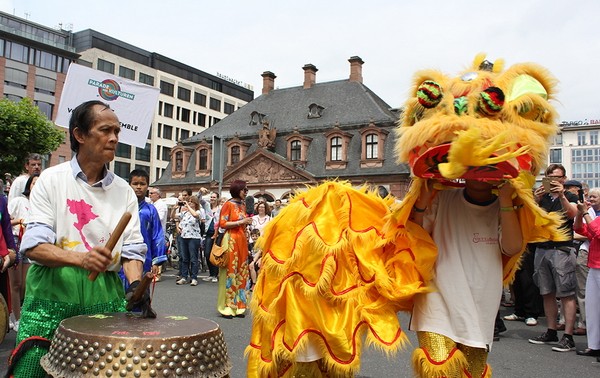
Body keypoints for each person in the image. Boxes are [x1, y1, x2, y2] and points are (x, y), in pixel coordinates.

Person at [11, 100, 147, 377]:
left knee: (100, 370)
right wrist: (81, 258)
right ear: (80, 135)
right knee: (33, 369)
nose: (114, 138)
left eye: (117, 132)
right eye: (105, 130)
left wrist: (135, 286)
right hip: (53, 291)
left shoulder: (124, 191)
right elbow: (34, 246)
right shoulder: (51, 179)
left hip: (104, 294)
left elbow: (132, 251)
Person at [409, 179, 523, 377]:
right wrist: (421, 202)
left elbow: (512, 247)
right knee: (440, 369)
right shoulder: (443, 198)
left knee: (472, 372)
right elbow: (414, 237)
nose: (480, 175)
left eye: (488, 167)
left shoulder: (505, 206)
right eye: (473, 165)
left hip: (481, 306)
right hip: (437, 300)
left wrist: (505, 201)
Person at [528, 164, 579, 352]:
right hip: (542, 248)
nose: (553, 181)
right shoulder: (542, 198)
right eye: (549, 177)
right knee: (546, 291)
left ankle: (568, 336)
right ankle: (551, 330)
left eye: (557, 178)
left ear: (564, 179)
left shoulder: (572, 196)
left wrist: (563, 195)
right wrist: (535, 199)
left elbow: (573, 213)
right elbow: (529, 218)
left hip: (562, 249)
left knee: (566, 293)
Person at [120, 169, 167, 290]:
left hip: (144, 258)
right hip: (121, 256)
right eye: (135, 184)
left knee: (139, 292)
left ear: (147, 187)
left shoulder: (151, 210)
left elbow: (157, 235)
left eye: (142, 184)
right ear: (129, 185)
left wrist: (156, 261)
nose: (139, 187)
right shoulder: (120, 207)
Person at [6, 173, 39, 332]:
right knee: (16, 284)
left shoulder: (40, 205)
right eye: (34, 183)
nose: (36, 186)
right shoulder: (19, 201)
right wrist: (19, 221)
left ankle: (22, 315)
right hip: (15, 241)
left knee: (26, 285)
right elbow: (6, 221)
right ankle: (17, 318)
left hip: (30, 245)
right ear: (28, 186)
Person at [216, 180, 252, 318]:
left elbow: (242, 223)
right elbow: (223, 223)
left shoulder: (243, 205)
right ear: (238, 190)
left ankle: (239, 306)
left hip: (242, 239)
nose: (246, 193)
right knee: (230, 271)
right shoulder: (228, 204)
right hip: (230, 239)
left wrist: (246, 226)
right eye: (244, 190)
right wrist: (241, 222)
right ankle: (226, 307)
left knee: (242, 271)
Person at [573, 192, 600, 358]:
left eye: (594, 197)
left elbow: (597, 232)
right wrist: (578, 212)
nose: (590, 200)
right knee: (592, 308)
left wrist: (584, 213)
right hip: (594, 266)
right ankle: (594, 345)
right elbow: (580, 229)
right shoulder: (596, 216)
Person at [176, 195, 205, 286]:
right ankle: (184, 277)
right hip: (184, 237)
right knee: (185, 258)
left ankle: (194, 278)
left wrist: (187, 206)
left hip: (194, 237)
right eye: (188, 201)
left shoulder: (198, 211)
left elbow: (196, 215)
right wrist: (175, 208)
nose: (189, 203)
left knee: (193, 259)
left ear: (195, 203)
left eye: (191, 202)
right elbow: (175, 217)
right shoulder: (185, 213)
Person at [202, 191, 220, 283]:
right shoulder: (207, 206)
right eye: (211, 197)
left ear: (217, 198)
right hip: (208, 233)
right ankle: (211, 273)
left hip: (218, 233)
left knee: (216, 254)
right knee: (207, 253)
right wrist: (201, 192)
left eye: (214, 197)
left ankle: (215, 274)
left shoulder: (221, 208)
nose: (212, 199)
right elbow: (199, 199)